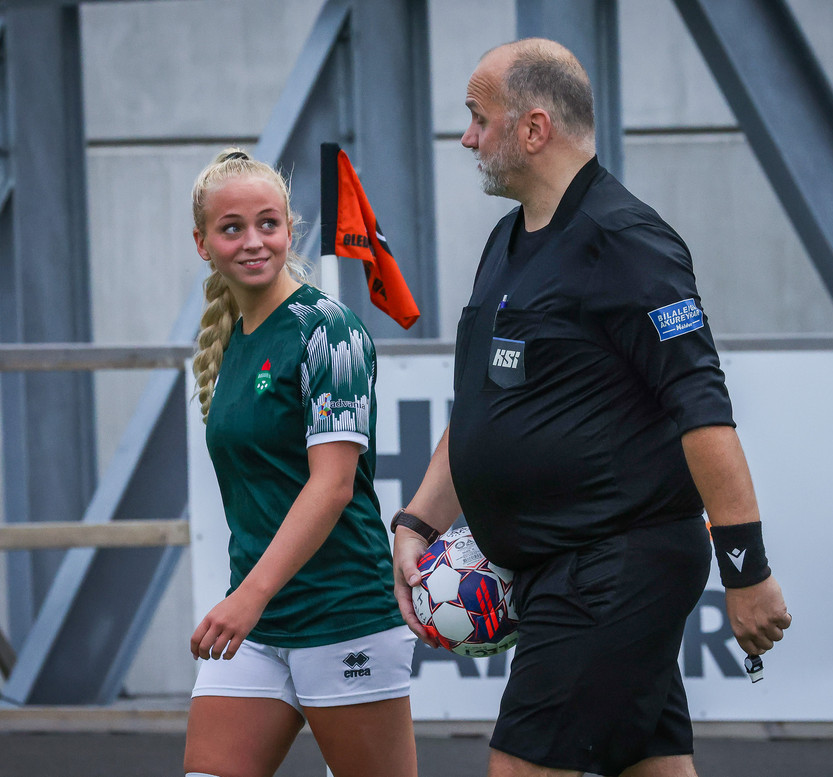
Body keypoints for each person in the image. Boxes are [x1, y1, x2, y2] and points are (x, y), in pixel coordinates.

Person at [392, 39, 791, 777]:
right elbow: (483, 408)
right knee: (652, 765)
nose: (467, 138)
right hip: (558, 565)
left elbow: (701, 408)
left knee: (520, 766)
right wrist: (418, 520)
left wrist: (747, 569)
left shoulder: (627, 242)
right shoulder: (506, 241)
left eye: (478, 117)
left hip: (613, 567)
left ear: (533, 128)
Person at [184, 148, 417, 777]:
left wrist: (248, 598)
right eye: (231, 228)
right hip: (257, 624)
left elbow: (332, 486)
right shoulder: (232, 340)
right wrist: (251, 602)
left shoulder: (330, 330)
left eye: (268, 223)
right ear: (203, 243)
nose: (253, 241)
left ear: (290, 229)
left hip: (342, 614)